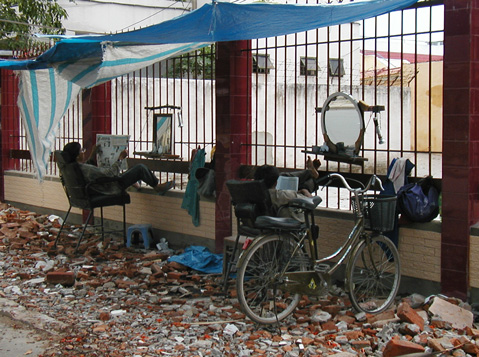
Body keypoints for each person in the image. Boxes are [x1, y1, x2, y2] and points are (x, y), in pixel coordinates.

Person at [61, 142, 174, 195]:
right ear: (77, 155)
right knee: (140, 168)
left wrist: (93, 153)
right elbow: (109, 173)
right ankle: (157, 186)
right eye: (82, 151)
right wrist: (120, 159)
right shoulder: (85, 169)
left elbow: (89, 167)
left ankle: (135, 183)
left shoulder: (71, 168)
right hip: (110, 187)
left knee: (131, 171)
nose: (83, 152)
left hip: (97, 188)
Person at [254, 156, 321, 221]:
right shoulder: (282, 195)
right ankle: (310, 173)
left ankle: (309, 172)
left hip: (267, 215)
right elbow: (310, 201)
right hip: (282, 218)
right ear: (276, 183)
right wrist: (305, 190)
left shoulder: (251, 192)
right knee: (308, 183)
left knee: (283, 175)